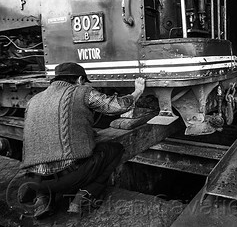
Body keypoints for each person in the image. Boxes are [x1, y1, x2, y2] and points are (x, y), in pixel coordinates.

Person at [21, 62, 146, 218]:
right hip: (70, 176)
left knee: (47, 163)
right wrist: (137, 92)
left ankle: (43, 199)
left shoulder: (33, 100)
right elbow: (116, 106)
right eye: (85, 82)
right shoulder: (81, 91)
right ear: (80, 80)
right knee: (114, 150)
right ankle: (84, 196)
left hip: (35, 180)